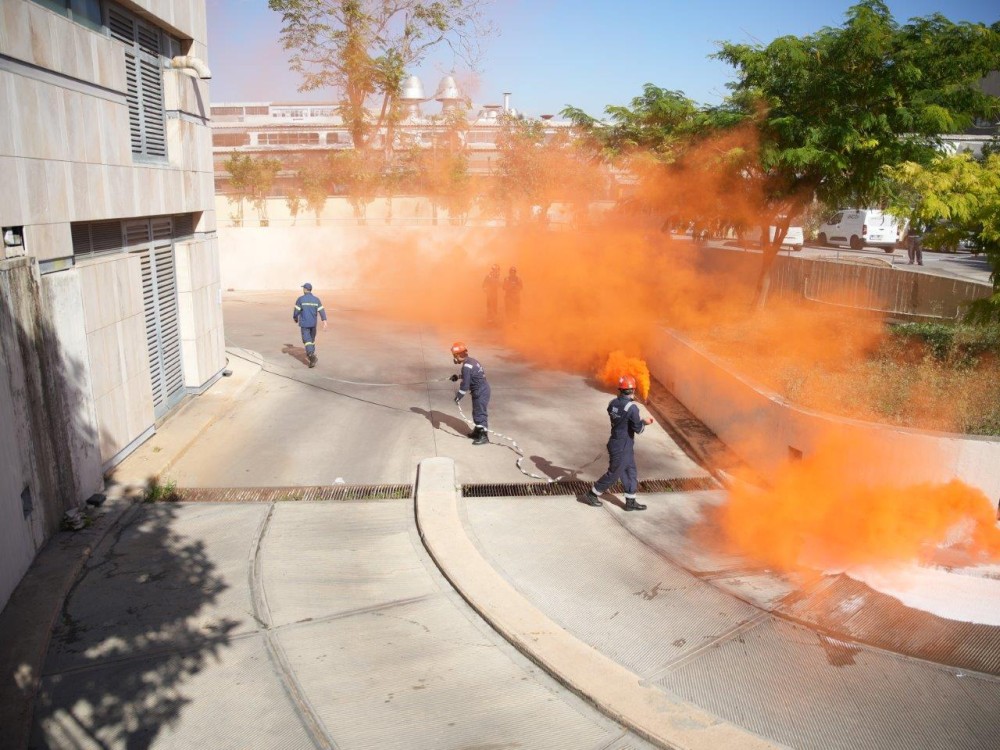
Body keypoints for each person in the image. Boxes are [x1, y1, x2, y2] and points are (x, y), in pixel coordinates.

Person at [582, 375, 655, 511]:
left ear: (620, 390)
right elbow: (638, 429)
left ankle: (630, 501)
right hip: (622, 445)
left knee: (630, 471)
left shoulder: (613, 403)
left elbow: (617, 415)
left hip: (619, 443)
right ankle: (592, 494)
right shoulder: (632, 408)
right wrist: (644, 422)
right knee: (614, 473)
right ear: (633, 390)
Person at [449, 341, 491, 445]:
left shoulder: (466, 367)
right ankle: (477, 432)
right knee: (476, 412)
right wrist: (458, 376)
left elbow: (465, 385)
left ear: (458, 355)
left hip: (480, 391)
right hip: (481, 389)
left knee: (480, 413)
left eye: (454, 356)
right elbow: (471, 375)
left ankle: (484, 436)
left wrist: (458, 396)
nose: (454, 358)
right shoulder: (471, 361)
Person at [292, 282, 327, 368]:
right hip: (313, 324)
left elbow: (296, 311)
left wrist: (295, 318)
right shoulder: (316, 299)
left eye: (303, 288)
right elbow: (321, 310)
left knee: (306, 340)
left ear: (305, 289)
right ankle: (312, 353)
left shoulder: (300, 299)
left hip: (305, 324)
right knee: (312, 340)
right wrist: (324, 320)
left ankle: (311, 356)